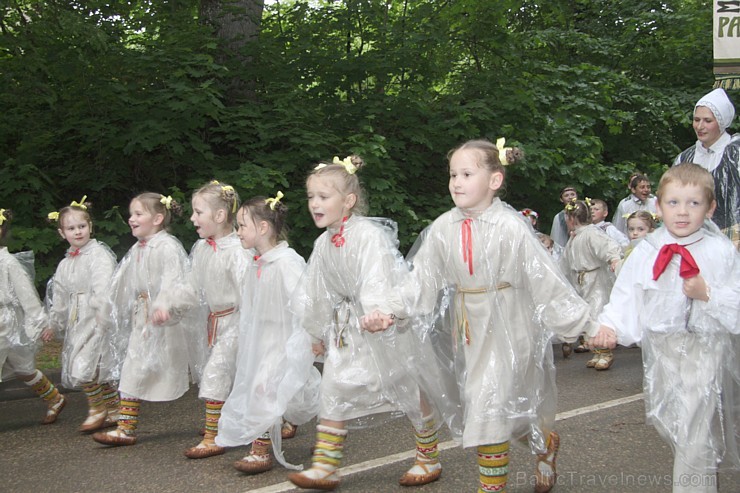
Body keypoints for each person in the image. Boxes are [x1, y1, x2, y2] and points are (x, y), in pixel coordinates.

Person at [363, 139, 601, 493]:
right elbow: (421, 281)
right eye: (452, 175)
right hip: (469, 329)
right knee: (498, 409)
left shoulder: (511, 226)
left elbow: (547, 281)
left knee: (492, 406)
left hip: (510, 324)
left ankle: (492, 487)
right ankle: (544, 444)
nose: (456, 182)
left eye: (467, 174)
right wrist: (389, 310)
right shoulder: (443, 227)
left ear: (494, 180)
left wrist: (588, 326)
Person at [287, 155, 455, 491]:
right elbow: (314, 290)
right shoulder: (323, 244)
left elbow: (378, 276)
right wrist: (316, 329)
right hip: (348, 330)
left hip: (383, 327)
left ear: (348, 201)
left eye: (324, 196)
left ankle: (428, 456)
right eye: (311, 197)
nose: (315, 204)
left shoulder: (368, 235)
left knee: (407, 388)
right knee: (333, 389)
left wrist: (378, 312)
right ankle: (326, 466)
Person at [590, 163, 740, 493]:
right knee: (678, 424)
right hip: (664, 350)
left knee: (693, 426)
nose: (682, 212)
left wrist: (708, 294)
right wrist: (610, 325)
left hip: (704, 348)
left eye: (693, 203)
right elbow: (627, 293)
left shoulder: (720, 251)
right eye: (673, 203)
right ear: (658, 207)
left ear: (711, 207)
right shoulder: (648, 251)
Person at [216, 193, 320, 474]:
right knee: (268, 386)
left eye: (241, 226)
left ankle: (260, 450)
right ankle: (324, 427)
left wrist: (312, 335)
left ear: (262, 228)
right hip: (262, 339)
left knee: (266, 387)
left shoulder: (286, 262)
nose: (237, 232)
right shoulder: (257, 262)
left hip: (283, 338)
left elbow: (304, 301)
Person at [92, 192, 199, 446]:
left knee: (193, 371)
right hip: (143, 318)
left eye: (138, 213)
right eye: (131, 214)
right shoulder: (136, 250)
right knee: (133, 366)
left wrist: (165, 306)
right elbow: (121, 284)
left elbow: (174, 280)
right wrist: (106, 310)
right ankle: (125, 428)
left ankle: (217, 422)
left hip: (163, 319)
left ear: (158, 218)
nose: (131, 219)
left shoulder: (168, 247)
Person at [184, 181, 250, 459]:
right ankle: (239, 422)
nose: (192, 218)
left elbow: (249, 293)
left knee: (217, 373)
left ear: (220, 216)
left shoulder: (237, 251)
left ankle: (214, 436)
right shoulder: (201, 249)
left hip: (236, 321)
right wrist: (167, 306)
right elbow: (190, 286)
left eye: (198, 212)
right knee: (230, 376)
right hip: (216, 323)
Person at [41, 197, 119, 433]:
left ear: (90, 227)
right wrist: (55, 322)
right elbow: (61, 297)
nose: (78, 232)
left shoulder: (99, 255)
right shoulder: (65, 264)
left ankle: (97, 408)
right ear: (62, 232)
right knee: (92, 368)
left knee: (86, 366)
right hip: (78, 321)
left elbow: (104, 288)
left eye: (82, 227)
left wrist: (102, 315)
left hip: (95, 318)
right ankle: (113, 408)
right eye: (71, 228)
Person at [0, 208, 66, 424]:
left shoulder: (8, 263)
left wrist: (40, 324)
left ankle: (54, 397)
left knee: (22, 366)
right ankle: (54, 397)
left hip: (6, 323)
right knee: (22, 367)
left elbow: (27, 296)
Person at [674, 87, 740, 248]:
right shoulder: (684, 158)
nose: (700, 126)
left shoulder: (736, 153)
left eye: (707, 120)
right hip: (693, 241)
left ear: (722, 121)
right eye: (696, 120)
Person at [560, 199, 622, 370]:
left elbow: (609, 246)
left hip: (595, 280)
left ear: (572, 219)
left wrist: (614, 259)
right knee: (588, 314)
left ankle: (605, 352)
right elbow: (565, 262)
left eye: (567, 218)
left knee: (597, 312)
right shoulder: (575, 237)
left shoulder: (591, 233)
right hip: (581, 281)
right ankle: (597, 351)